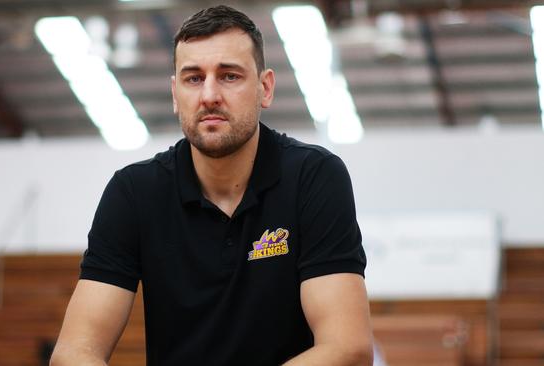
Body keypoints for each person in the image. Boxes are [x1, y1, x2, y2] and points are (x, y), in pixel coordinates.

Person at [50, 5, 373, 366]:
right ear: (175, 94)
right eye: (193, 78)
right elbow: (74, 351)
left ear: (264, 88)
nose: (209, 96)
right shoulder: (134, 192)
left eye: (229, 76)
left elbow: (348, 348)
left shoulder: (313, 176)